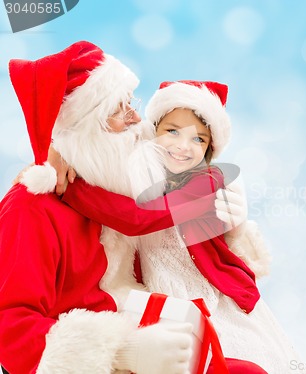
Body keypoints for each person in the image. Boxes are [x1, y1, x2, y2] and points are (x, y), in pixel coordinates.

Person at [0, 42, 246, 374]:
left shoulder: (117, 185)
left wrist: (233, 224)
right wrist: (121, 353)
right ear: (85, 126)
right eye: (119, 110)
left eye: (131, 103)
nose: (135, 119)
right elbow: (10, 329)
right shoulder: (32, 207)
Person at [59, 80, 306, 373]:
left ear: (210, 149)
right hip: (164, 297)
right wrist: (62, 153)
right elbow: (101, 149)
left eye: (198, 139)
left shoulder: (208, 182)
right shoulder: (139, 171)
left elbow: (138, 219)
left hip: (216, 297)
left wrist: (70, 189)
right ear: (153, 131)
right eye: (172, 131)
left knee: (245, 361)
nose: (183, 146)